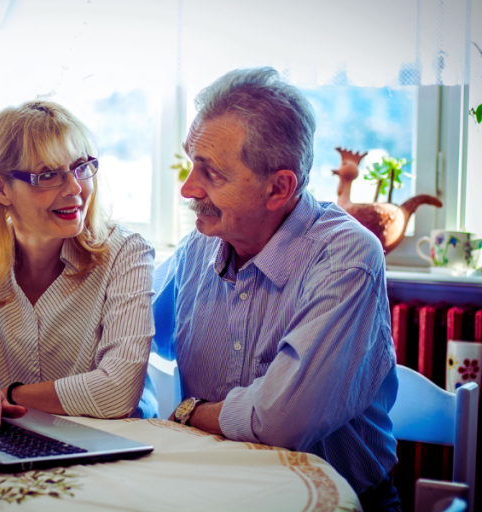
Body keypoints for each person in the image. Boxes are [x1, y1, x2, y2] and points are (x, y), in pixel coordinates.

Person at [153, 68, 400, 511]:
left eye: (210, 174)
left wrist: (189, 412)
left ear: (279, 187)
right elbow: (125, 336)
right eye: (192, 164)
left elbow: (280, 421)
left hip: (341, 502)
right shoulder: (200, 245)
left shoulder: (347, 258)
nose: (188, 188)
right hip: (216, 495)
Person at [0, 100, 156, 430]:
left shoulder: (125, 253)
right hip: (5, 435)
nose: (75, 189)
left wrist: (6, 395)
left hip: (109, 437)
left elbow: (116, 392)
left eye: (81, 167)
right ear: (1, 188)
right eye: (48, 175)